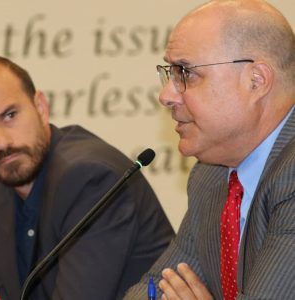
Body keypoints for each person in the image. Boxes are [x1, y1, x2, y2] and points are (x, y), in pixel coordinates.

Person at [124, 0, 295, 299]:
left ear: (256, 81)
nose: (165, 95)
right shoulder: (211, 176)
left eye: (186, 73)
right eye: (170, 74)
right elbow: (149, 290)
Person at [0, 55, 175, 300]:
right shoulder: (1, 184)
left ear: (40, 107)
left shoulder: (89, 178)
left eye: (10, 115)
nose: (2, 142)